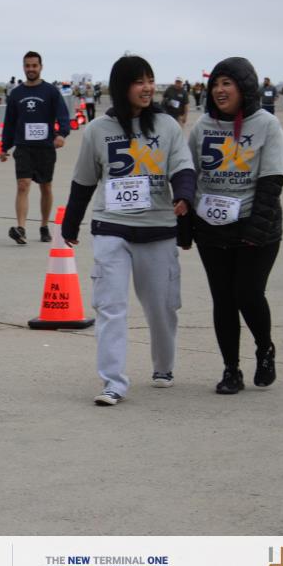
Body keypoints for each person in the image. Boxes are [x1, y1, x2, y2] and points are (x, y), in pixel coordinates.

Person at [61, 55, 195, 406]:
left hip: (158, 228)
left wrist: (184, 196)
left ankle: (163, 366)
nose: (148, 87)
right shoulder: (98, 130)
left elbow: (182, 166)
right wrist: (71, 222)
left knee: (162, 307)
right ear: (122, 87)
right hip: (112, 227)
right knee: (110, 306)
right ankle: (113, 382)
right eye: (139, 81)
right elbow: (84, 180)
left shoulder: (166, 126)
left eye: (150, 80)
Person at [189, 57, 283, 395]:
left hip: (255, 227)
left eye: (227, 83)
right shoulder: (203, 126)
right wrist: (187, 222)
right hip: (211, 228)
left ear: (244, 87)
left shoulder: (266, 125)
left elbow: (272, 181)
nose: (219, 90)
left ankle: (265, 348)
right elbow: (189, 175)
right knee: (223, 300)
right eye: (215, 84)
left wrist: (255, 230)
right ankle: (231, 369)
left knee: (248, 293)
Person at [0, 51, 70, 244]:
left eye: (34, 66)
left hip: (45, 147)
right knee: (23, 185)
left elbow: (63, 115)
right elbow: (10, 122)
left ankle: (44, 226)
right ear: (23, 67)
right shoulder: (16, 94)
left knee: (45, 186)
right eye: (27, 66)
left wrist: (61, 134)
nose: (30, 69)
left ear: (41, 67)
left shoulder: (51, 91)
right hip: (23, 147)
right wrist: (5, 147)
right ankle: (21, 228)